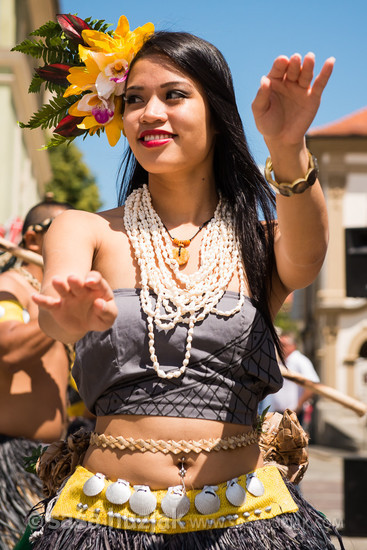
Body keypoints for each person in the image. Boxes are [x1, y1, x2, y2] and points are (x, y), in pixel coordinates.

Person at [17, 12, 344, 550]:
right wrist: (67, 319)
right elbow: (56, 305)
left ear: (215, 114)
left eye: (173, 95)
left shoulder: (258, 240)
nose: (150, 112)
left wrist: (289, 148)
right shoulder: (85, 228)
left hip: (247, 522)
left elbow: (308, 257)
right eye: (134, 99)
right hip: (106, 520)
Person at [0, 198, 73, 548]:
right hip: (11, 464)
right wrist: (62, 316)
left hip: (52, 462)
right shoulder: (12, 285)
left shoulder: (56, 296)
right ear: (32, 239)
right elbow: (6, 348)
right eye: (64, 233)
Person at [262, 330, 320, 427]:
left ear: (293, 346)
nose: (279, 347)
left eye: (283, 345)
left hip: (293, 414)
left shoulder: (300, 360)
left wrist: (298, 406)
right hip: (279, 413)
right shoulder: (282, 361)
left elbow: (312, 384)